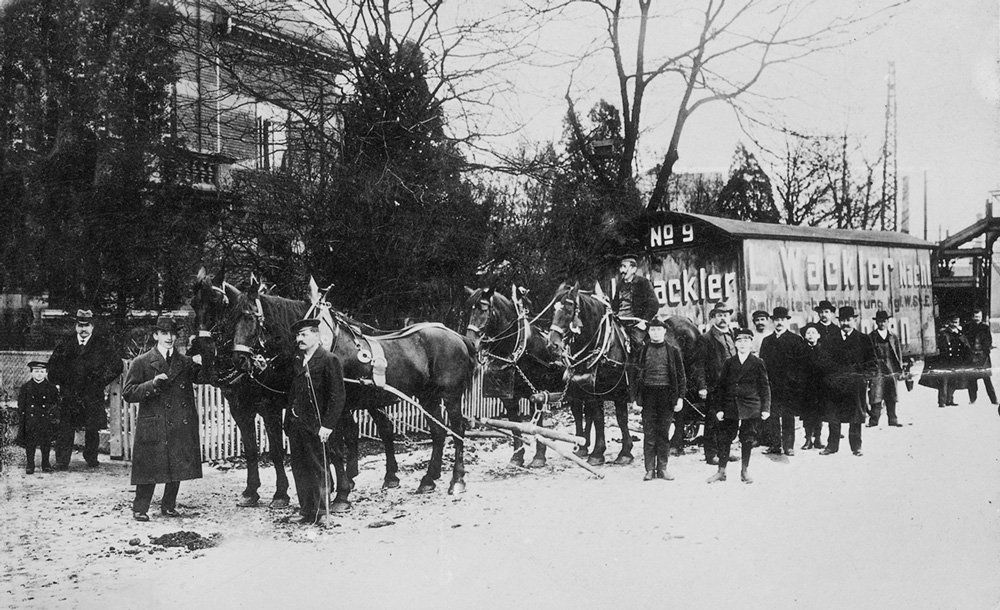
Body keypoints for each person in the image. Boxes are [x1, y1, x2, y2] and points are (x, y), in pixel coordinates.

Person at [122, 316, 204, 521]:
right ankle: (140, 508)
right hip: (154, 421)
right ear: (156, 335)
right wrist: (153, 384)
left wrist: (204, 360)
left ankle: (168, 505)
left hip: (178, 422)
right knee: (149, 467)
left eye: (173, 333)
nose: (169, 337)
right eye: (164, 333)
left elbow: (202, 377)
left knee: (175, 465)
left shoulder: (184, 362)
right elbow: (128, 393)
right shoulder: (141, 362)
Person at [285, 318, 348, 525]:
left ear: (316, 336)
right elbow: (292, 393)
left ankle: (322, 512)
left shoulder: (329, 359)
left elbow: (337, 396)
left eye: (304, 334)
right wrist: (288, 421)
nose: (299, 339)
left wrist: (328, 426)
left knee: (319, 467)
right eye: (297, 335)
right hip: (297, 424)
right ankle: (306, 510)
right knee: (299, 467)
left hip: (317, 424)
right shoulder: (297, 361)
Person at [47, 309, 123, 469]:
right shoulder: (66, 342)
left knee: (92, 427)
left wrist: (100, 381)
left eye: (86, 325)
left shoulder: (102, 343)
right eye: (80, 325)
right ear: (75, 326)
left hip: (91, 393)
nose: (83, 329)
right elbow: (52, 366)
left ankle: (91, 457)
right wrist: (64, 381)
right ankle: (62, 460)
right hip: (70, 393)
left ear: (92, 327)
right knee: (65, 427)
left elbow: (117, 365)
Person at [706, 327, 771, 484]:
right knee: (724, 437)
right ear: (735, 344)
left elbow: (765, 386)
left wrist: (766, 408)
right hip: (731, 405)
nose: (742, 344)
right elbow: (721, 387)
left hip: (750, 405)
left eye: (746, 341)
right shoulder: (729, 363)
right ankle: (721, 471)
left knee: (747, 438)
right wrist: (720, 409)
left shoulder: (757, 362)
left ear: (751, 343)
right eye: (739, 341)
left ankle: (744, 471)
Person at [820, 306, 877, 456]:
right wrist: (829, 378)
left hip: (855, 384)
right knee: (833, 416)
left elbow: (872, 362)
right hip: (835, 384)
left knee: (856, 416)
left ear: (854, 320)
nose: (845, 323)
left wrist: (864, 378)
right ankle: (832, 446)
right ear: (839, 321)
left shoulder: (864, 339)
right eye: (843, 320)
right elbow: (824, 361)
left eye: (848, 320)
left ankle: (856, 447)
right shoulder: (830, 339)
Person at [636, 318, 686, 481]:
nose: (655, 332)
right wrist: (636, 399)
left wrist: (680, 398)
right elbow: (636, 375)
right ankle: (650, 469)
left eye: (658, 330)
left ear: (664, 332)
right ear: (649, 332)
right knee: (649, 433)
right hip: (648, 396)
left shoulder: (673, 351)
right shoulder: (643, 351)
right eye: (652, 330)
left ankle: (662, 468)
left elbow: (681, 376)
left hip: (666, 395)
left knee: (663, 433)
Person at [610, 255, 661, 405]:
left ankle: (640, 387)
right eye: (621, 267)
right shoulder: (620, 285)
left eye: (624, 267)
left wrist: (644, 321)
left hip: (636, 323)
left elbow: (654, 304)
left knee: (638, 346)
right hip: (620, 321)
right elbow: (615, 305)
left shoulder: (643, 283)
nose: (621, 270)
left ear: (633, 269)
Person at [692, 303, 737, 465]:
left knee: (731, 421)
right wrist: (702, 386)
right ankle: (711, 454)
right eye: (719, 315)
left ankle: (725, 451)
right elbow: (699, 365)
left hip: (733, 386)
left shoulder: (733, 335)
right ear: (713, 318)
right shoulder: (706, 338)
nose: (723, 318)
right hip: (715, 387)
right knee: (713, 422)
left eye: (725, 315)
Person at [759, 306, 808, 456]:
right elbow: (762, 364)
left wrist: (796, 383)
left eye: (782, 320)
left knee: (788, 415)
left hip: (789, 386)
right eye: (776, 320)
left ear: (787, 321)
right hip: (772, 385)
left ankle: (788, 445)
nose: (779, 322)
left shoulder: (796, 340)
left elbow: (801, 365)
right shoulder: (767, 341)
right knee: (772, 415)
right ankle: (774, 445)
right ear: (773, 322)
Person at [18, 361, 60, 474]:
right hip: (30, 420)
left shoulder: (52, 389)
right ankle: (30, 464)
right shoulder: (25, 387)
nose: (39, 374)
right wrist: (22, 418)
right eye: (36, 371)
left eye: (42, 371)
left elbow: (55, 405)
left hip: (45, 420)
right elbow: (21, 405)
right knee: (30, 443)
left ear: (46, 373)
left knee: (45, 442)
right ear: (31, 373)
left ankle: (45, 463)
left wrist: (53, 418)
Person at [868, 310, 904, 427]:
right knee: (876, 395)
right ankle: (873, 421)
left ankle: (892, 419)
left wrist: (900, 370)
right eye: (879, 321)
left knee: (891, 394)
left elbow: (898, 354)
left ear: (888, 322)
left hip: (890, 368)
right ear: (876, 322)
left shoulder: (893, 337)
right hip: (877, 368)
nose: (882, 323)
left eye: (884, 321)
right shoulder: (871, 337)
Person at [934, 314, 971, 408]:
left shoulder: (959, 333)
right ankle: (942, 401)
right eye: (953, 322)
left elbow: (965, 344)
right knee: (944, 381)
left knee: (954, 381)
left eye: (957, 322)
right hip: (946, 360)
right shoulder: (944, 333)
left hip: (956, 360)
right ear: (949, 322)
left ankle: (950, 399)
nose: (955, 324)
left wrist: (959, 333)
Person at [799, 323, 826, 449]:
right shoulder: (801, 350)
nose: (811, 335)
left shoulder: (823, 349)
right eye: (808, 333)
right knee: (807, 414)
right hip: (806, 388)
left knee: (819, 414)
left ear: (819, 335)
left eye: (813, 333)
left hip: (820, 388)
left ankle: (818, 439)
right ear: (804, 336)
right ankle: (808, 438)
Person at [964, 309, 996, 405]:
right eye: (975, 317)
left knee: (987, 380)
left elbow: (989, 341)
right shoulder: (968, 327)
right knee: (972, 380)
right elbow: (966, 341)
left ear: (981, 317)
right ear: (972, 317)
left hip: (983, 357)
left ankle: (994, 400)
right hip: (972, 357)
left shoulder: (985, 328)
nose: (977, 319)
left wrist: (985, 352)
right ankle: (972, 400)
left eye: (979, 317)